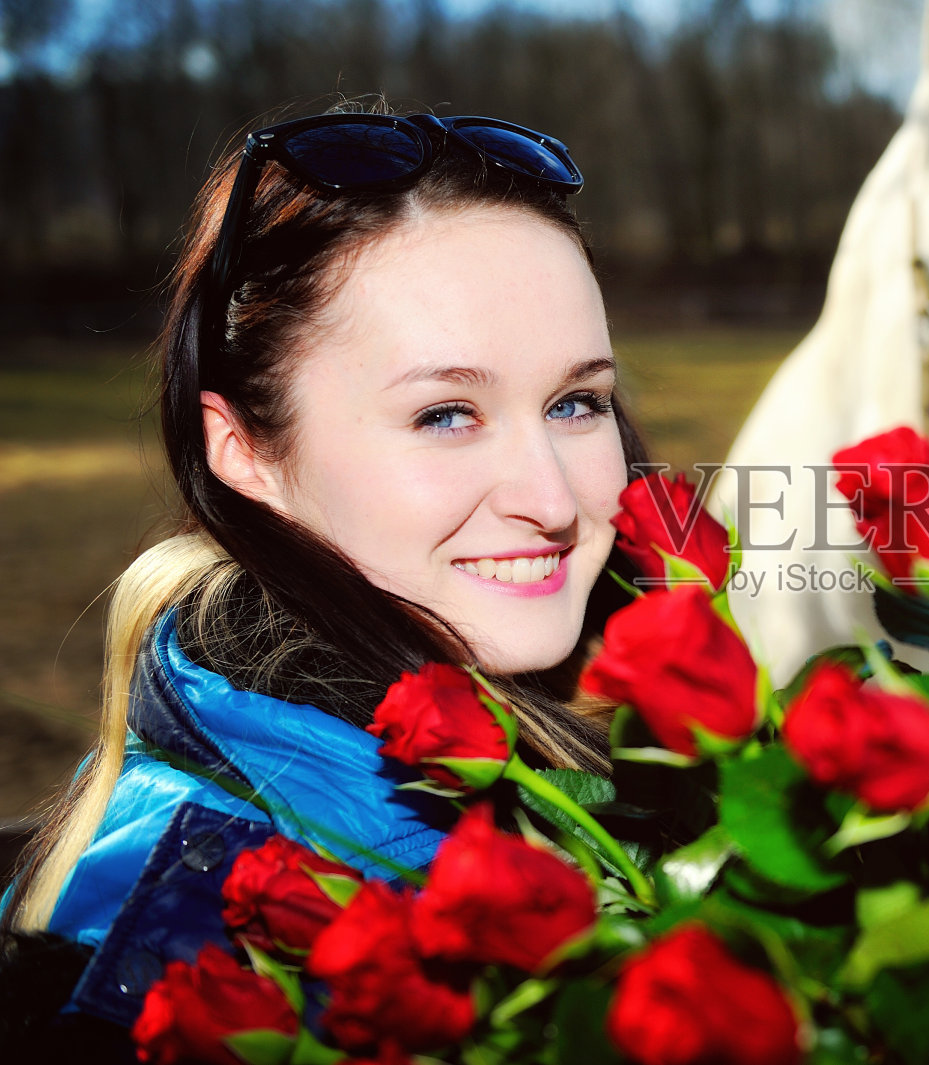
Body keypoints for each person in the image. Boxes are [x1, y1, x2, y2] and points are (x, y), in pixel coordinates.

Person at [0, 101, 649, 1048]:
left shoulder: (581, 729)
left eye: (577, 402)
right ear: (246, 449)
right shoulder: (210, 958)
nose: (552, 498)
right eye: (445, 414)